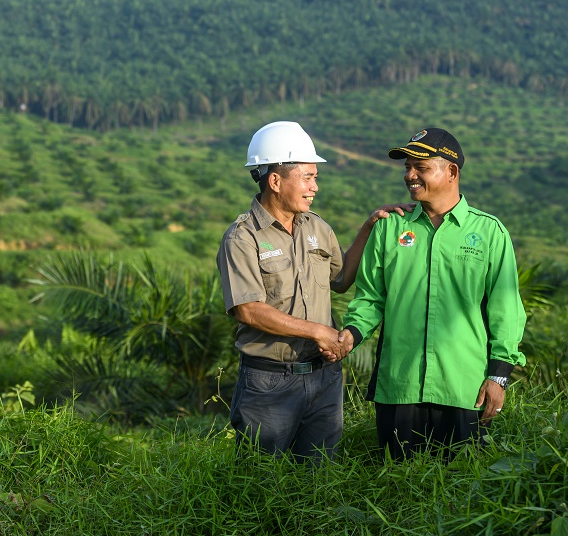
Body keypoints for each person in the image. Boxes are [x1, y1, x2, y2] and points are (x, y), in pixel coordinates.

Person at [218, 121, 410, 461]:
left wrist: (369, 227)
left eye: (315, 177)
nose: (314, 187)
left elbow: (340, 279)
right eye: (307, 177)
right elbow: (247, 308)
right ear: (275, 181)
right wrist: (318, 331)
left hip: (323, 380)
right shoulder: (243, 237)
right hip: (269, 384)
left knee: (319, 477)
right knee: (260, 482)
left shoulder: (318, 227)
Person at [338, 127, 526, 459]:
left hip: (464, 390)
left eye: (420, 167)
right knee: (398, 490)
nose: (410, 175)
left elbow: (506, 310)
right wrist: (350, 335)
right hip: (399, 387)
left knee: (462, 494)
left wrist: (499, 376)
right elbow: (369, 297)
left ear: (451, 171)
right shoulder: (390, 228)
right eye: (407, 167)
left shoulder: (489, 232)